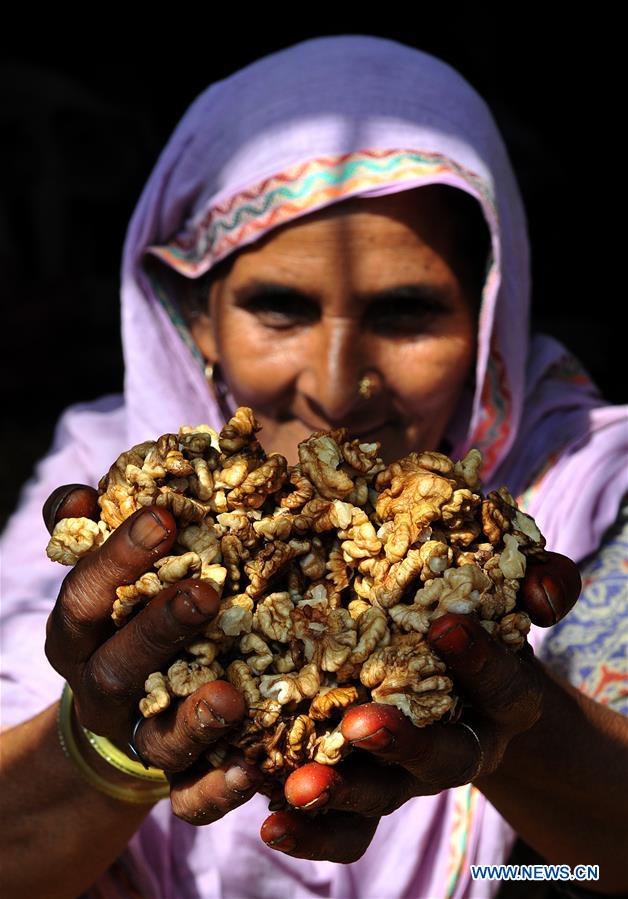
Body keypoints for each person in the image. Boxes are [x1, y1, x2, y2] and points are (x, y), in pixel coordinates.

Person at [1, 34, 627, 899]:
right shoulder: (110, 489)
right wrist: (103, 745)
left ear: (488, 318)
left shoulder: (590, 485)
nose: (338, 391)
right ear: (199, 317)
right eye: (280, 307)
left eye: (406, 313)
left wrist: (517, 741)